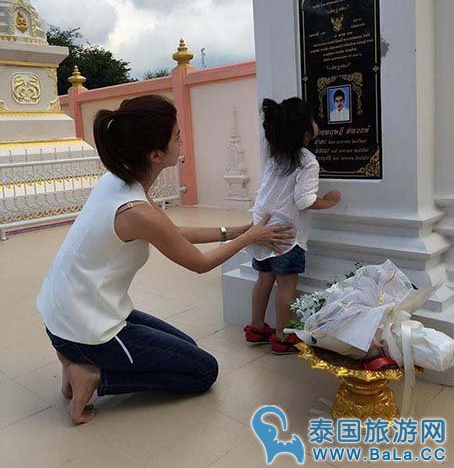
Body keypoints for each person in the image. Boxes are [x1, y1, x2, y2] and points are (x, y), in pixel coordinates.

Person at [36, 95, 294, 425]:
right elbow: (199, 264)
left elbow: (171, 230)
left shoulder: (119, 180)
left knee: (185, 346)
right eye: (176, 136)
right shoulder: (135, 210)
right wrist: (251, 238)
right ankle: (94, 375)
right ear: (156, 154)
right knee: (203, 371)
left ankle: (74, 361)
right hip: (85, 326)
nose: (181, 139)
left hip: (67, 311)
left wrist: (237, 230)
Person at [244, 98, 342, 354]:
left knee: (264, 278)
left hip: (261, 231)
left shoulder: (275, 157)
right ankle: (282, 336)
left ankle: (256, 327)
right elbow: (304, 200)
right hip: (286, 236)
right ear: (306, 131)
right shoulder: (308, 161)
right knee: (286, 285)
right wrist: (328, 201)